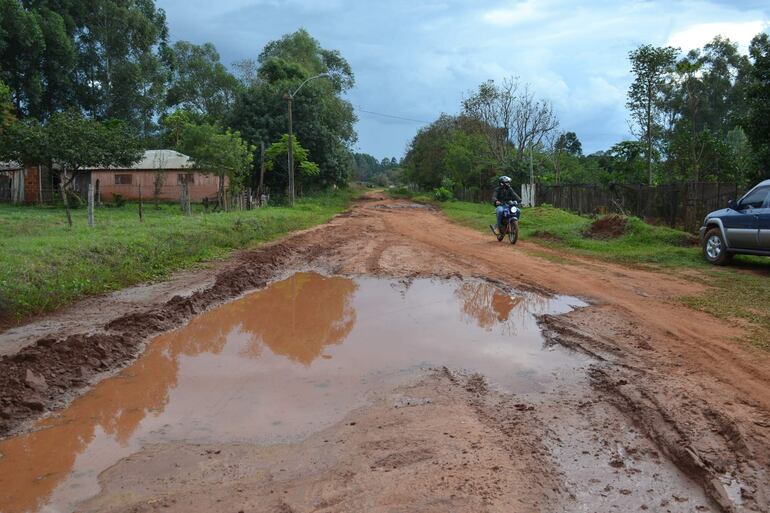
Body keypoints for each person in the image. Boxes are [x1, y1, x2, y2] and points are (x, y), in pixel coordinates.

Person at [490, 176, 521, 240]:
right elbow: (494, 197)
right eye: (507, 183)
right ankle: (498, 227)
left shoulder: (510, 189)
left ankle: (514, 224)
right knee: (500, 211)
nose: (508, 184)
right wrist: (496, 201)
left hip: (508, 204)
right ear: (502, 183)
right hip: (500, 205)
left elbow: (514, 195)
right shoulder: (497, 189)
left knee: (518, 211)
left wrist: (520, 200)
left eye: (508, 183)